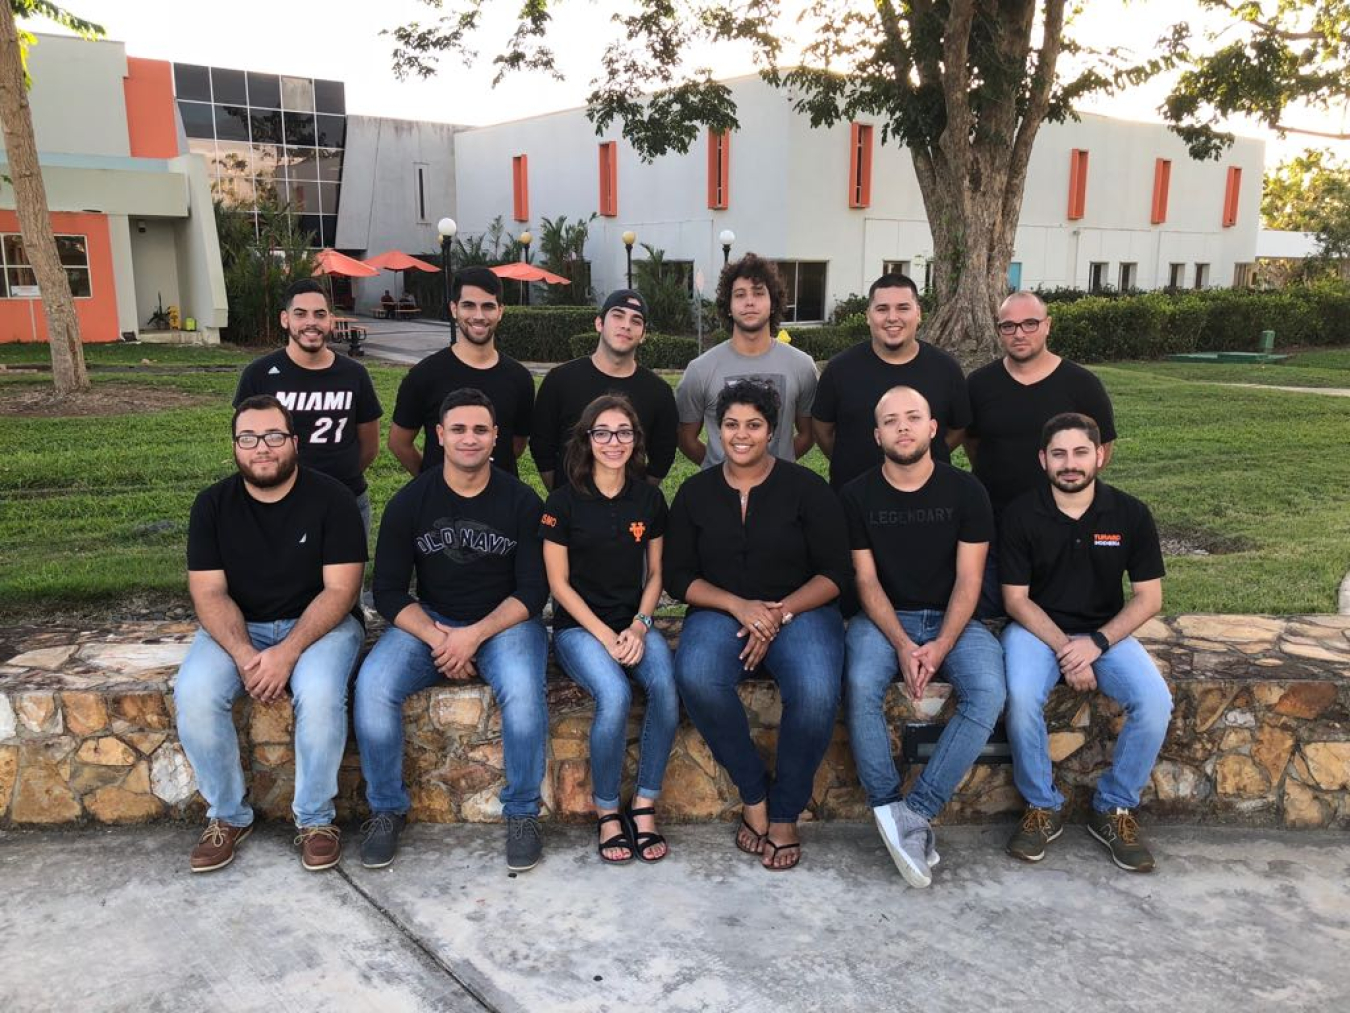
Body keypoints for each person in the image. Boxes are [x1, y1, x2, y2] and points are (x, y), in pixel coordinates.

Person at [355, 388, 549, 872]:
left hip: (504, 623)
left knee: (524, 692)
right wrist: (440, 637)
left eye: (480, 429)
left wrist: (475, 635)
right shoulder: (410, 502)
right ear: (438, 435)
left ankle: (523, 812)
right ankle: (386, 810)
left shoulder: (522, 502)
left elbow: (532, 592)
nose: (469, 438)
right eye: (458, 429)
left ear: (495, 436)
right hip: (433, 622)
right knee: (373, 687)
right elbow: (389, 591)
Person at [175, 394, 366, 873]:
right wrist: (244, 654)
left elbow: (341, 590)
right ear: (235, 447)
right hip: (239, 628)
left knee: (321, 693)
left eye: (274, 436)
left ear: (295, 442)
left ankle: (316, 820)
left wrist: (287, 652)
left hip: (319, 626)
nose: (262, 448)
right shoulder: (212, 505)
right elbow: (210, 594)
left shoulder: (333, 500)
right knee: (195, 694)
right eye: (249, 438)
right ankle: (227, 815)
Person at [664, 380, 851, 871]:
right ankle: (754, 793)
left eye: (754, 425)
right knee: (698, 675)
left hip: (802, 612)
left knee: (814, 689)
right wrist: (739, 606)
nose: (741, 435)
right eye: (730, 425)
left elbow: (836, 572)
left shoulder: (807, 489)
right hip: (720, 612)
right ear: (716, 429)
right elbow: (679, 577)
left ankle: (786, 811)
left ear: (773, 431)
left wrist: (777, 613)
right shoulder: (695, 492)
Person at [840, 387, 1004, 888]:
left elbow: (970, 581)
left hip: (954, 619)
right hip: (884, 618)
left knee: (990, 692)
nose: (903, 427)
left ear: (933, 428)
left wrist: (942, 644)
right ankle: (888, 804)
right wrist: (902, 643)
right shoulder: (856, 495)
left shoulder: (966, 492)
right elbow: (865, 582)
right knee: (862, 684)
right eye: (891, 420)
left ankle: (915, 811)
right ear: (877, 434)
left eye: (914, 417)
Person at [1000, 413, 1171, 873]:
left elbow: (1149, 598)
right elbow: (1015, 601)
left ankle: (1113, 808)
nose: (1069, 464)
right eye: (1059, 454)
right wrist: (1065, 649)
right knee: (1020, 697)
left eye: (1080, 453)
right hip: (1037, 630)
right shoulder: (1020, 514)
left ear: (1100, 455)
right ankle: (1042, 806)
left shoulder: (1129, 513)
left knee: (1155, 701)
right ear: (1043, 460)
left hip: (1105, 631)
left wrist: (1095, 643)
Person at [540, 394, 677, 863]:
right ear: (587, 439)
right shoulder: (563, 501)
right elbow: (558, 584)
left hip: (632, 623)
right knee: (615, 695)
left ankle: (643, 805)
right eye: (602, 432)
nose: (613, 442)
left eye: (623, 432)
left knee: (665, 687)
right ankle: (606, 812)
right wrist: (604, 635)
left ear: (635, 440)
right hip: (581, 630)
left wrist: (640, 626)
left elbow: (657, 573)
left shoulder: (649, 498)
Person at [965, 290, 1117, 615]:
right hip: (994, 519)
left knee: (1055, 608)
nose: (1019, 333)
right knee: (992, 610)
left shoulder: (1081, 384)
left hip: (1058, 521)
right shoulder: (979, 385)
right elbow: (974, 442)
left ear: (1047, 325)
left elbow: (1102, 448)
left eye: (1029, 324)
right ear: (999, 331)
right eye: (1009, 326)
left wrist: (1069, 494)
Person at [234, 279, 383, 533]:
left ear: (331, 321)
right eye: (300, 314)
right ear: (285, 319)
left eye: (319, 314)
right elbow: (244, 440)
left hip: (346, 499)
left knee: (346, 574)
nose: (311, 322)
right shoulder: (258, 374)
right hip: (280, 501)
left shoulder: (355, 374)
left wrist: (340, 475)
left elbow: (369, 445)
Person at [813, 274, 970, 490]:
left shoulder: (946, 369)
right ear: (868, 316)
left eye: (903, 308)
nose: (892, 317)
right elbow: (822, 430)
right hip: (854, 501)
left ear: (918, 314)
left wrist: (913, 460)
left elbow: (958, 429)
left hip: (929, 499)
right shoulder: (839, 369)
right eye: (882, 309)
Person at [388, 266, 534, 479]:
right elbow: (399, 442)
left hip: (502, 503)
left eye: (488, 306)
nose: (479, 316)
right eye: (468, 306)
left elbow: (516, 445)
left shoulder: (519, 378)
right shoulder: (424, 375)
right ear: (454, 309)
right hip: (442, 504)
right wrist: (430, 479)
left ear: (500, 311)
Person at [675, 253, 818, 468]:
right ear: (729, 306)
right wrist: (719, 468)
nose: (749, 302)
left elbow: (808, 434)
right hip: (721, 495)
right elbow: (686, 439)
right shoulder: (700, 370)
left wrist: (775, 469)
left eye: (758, 293)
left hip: (781, 492)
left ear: (773, 303)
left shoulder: (802, 366)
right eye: (740, 295)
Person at [530, 289, 678, 490]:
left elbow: (663, 455)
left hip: (631, 511)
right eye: (618, 316)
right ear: (599, 323)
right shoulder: (560, 380)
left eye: (636, 321)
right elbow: (541, 446)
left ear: (643, 335)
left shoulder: (659, 392)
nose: (626, 325)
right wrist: (560, 493)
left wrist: (641, 495)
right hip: (570, 508)